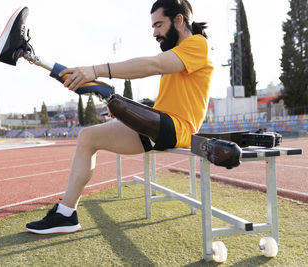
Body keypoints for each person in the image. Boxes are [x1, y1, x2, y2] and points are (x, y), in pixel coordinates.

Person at [25, 0, 213, 234]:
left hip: (177, 129)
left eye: (159, 25)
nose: (155, 33)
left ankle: (104, 92)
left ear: (179, 20)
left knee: (106, 93)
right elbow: (162, 86)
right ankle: (66, 214)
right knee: (87, 136)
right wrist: (94, 83)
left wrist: (95, 71)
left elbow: (153, 65)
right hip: (157, 124)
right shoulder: (178, 53)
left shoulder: (198, 45)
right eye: (153, 27)